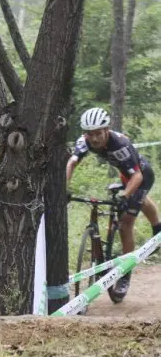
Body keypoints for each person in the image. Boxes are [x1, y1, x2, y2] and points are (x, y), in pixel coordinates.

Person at [66, 107, 161, 301]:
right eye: (90, 134)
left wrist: (126, 195)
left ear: (106, 130)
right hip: (125, 174)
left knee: (126, 223)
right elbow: (71, 163)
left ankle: (125, 274)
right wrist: (62, 189)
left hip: (141, 177)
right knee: (135, 204)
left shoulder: (120, 144)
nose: (94, 139)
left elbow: (137, 176)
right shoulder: (84, 142)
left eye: (98, 134)